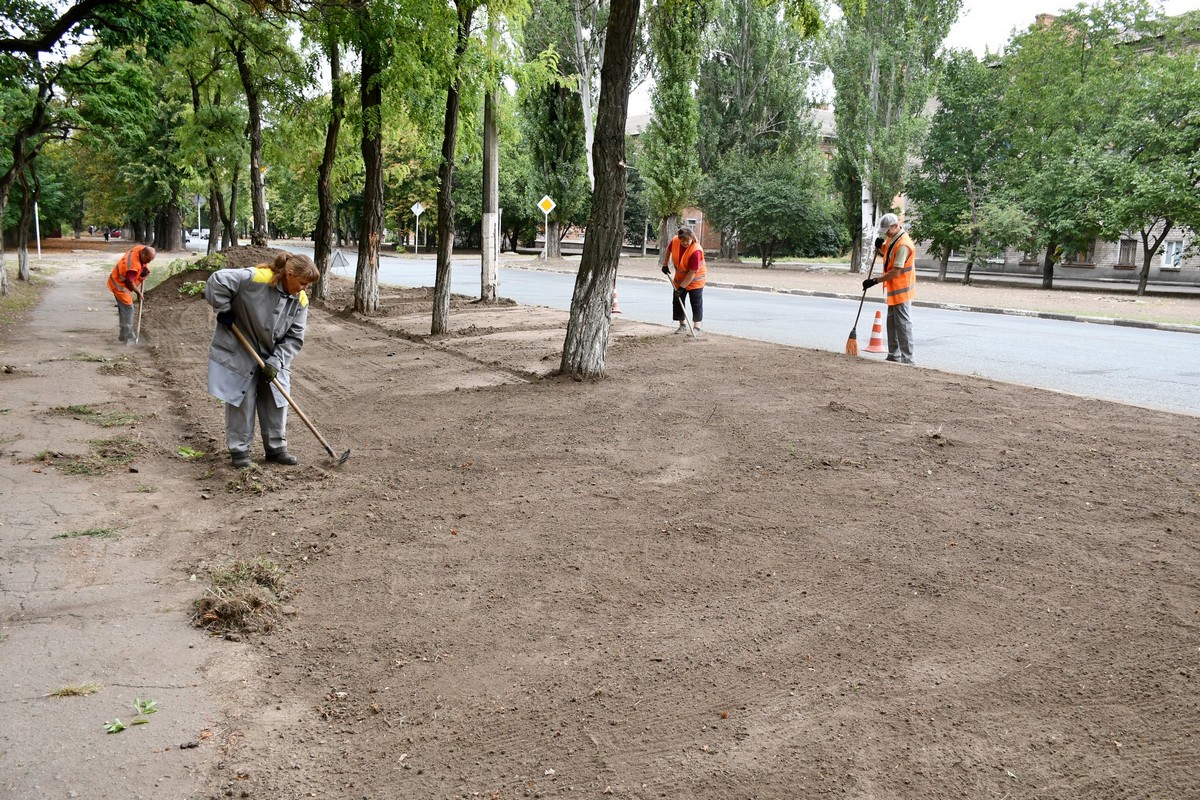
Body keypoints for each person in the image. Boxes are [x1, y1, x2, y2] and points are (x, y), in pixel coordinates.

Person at [204, 252, 320, 469]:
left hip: (273, 353)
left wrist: (277, 361)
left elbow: (295, 336)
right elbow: (217, 280)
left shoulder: (300, 300)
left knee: (277, 399)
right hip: (241, 348)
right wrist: (224, 309)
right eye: (302, 283)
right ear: (289, 273)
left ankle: (276, 448)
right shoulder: (256, 278)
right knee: (242, 399)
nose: (304, 288)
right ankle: (240, 451)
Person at [863, 213, 916, 363]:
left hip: (902, 289)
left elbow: (896, 271)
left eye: (887, 230)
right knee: (892, 323)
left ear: (895, 226)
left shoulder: (904, 244)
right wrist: (881, 247)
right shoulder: (893, 238)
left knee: (904, 325)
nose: (885, 233)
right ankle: (894, 355)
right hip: (894, 289)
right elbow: (888, 252)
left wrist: (875, 281)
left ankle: (908, 359)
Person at [660, 226, 706, 335]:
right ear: (679, 238)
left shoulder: (696, 251)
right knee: (678, 300)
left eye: (687, 240)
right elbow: (669, 249)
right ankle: (682, 325)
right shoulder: (675, 240)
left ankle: (697, 327)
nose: (685, 243)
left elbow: (692, 273)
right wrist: (665, 264)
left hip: (695, 279)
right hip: (680, 278)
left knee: (696, 302)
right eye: (683, 240)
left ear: (692, 238)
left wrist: (681, 288)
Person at [106, 244, 155, 344]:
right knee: (128, 309)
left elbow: (143, 250)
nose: (149, 262)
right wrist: (138, 293)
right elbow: (130, 282)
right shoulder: (132, 266)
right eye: (148, 259)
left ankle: (123, 335)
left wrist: (144, 268)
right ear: (143, 254)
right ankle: (128, 337)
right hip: (119, 286)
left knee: (124, 310)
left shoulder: (139, 249)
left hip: (122, 283)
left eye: (151, 260)